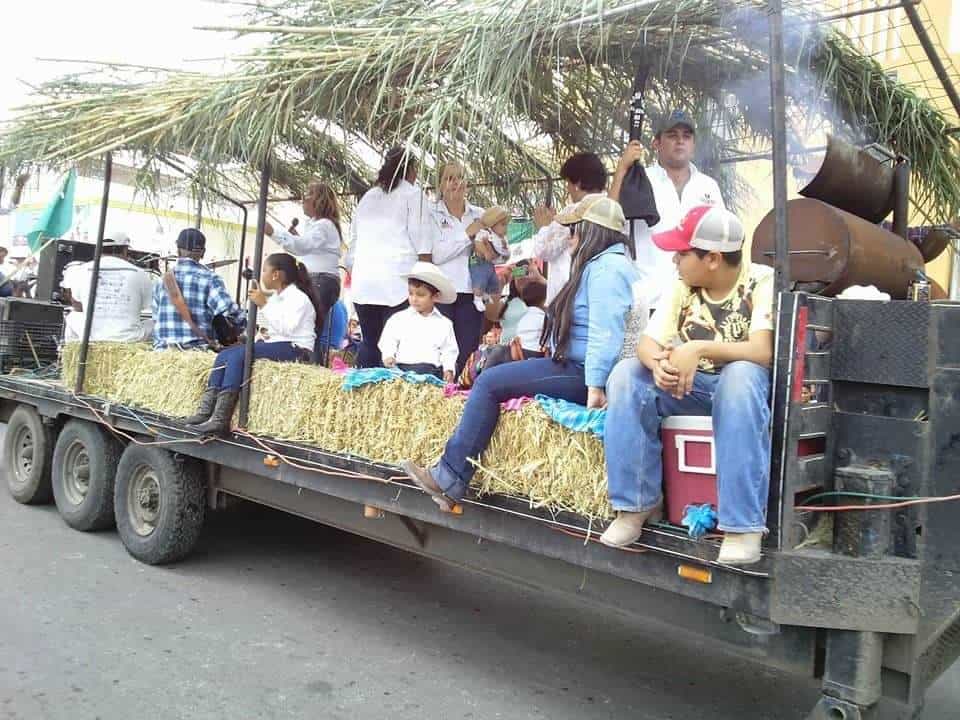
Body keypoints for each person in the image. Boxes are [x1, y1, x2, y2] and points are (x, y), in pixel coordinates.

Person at [400, 195, 638, 511]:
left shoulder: (608, 269)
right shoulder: (607, 265)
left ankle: (449, 477)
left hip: (581, 370)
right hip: (576, 364)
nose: (571, 237)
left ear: (593, 231)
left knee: (489, 383)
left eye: (575, 230)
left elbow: (606, 333)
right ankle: (449, 477)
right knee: (494, 377)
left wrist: (595, 386)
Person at [600, 205, 774, 566]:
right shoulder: (682, 287)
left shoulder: (760, 280)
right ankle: (637, 505)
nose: (675, 261)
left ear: (712, 258)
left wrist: (698, 347)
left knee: (740, 375)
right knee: (626, 375)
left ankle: (742, 526)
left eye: (682, 253)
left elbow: (762, 351)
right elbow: (647, 344)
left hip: (742, 394)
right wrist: (659, 366)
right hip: (691, 389)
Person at [184, 253, 319, 434]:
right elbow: (269, 327)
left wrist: (263, 304)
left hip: (296, 348)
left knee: (239, 356)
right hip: (281, 344)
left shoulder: (298, 298)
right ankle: (206, 411)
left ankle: (221, 418)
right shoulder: (278, 298)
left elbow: (287, 329)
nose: (261, 274)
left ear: (276, 275)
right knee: (225, 354)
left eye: (264, 270)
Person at [610, 109, 724, 310]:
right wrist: (622, 169)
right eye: (672, 136)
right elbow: (609, 220)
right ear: (656, 143)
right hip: (647, 300)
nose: (680, 141)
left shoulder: (709, 186)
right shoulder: (640, 180)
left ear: (693, 145)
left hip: (696, 302)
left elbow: (720, 237)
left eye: (686, 136)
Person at [344, 147, 433, 368]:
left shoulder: (368, 196)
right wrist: (428, 282)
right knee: (397, 346)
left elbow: (352, 244)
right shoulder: (413, 194)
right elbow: (423, 243)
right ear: (411, 169)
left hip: (364, 283)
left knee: (370, 342)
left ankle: (362, 395)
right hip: (397, 284)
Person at [264, 180, 343, 362]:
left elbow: (303, 247)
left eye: (309, 195)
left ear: (320, 201)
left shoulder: (324, 225)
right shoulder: (318, 225)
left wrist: (274, 232)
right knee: (308, 327)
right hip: (318, 280)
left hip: (321, 281)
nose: (304, 199)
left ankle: (308, 367)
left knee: (308, 329)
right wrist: (295, 239)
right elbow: (308, 248)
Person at [430, 161, 485, 375]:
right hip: (442, 292)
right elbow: (437, 254)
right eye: (449, 178)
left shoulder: (479, 214)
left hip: (472, 293)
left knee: (466, 352)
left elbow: (496, 255)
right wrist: (468, 234)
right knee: (439, 352)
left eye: (460, 177)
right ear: (441, 184)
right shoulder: (431, 212)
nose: (455, 183)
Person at [528, 153, 607, 303]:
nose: (568, 188)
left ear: (577, 183)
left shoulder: (573, 212)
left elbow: (544, 251)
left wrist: (545, 227)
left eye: (568, 183)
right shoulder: (610, 207)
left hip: (568, 297)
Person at [153, 228, 245, 350]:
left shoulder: (162, 280)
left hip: (162, 354)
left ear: (178, 250)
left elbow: (155, 319)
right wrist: (244, 327)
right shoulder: (210, 279)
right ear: (203, 252)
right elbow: (232, 312)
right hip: (196, 353)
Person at [61, 231, 154, 342]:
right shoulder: (140, 273)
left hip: (91, 338)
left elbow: (77, 305)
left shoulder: (81, 270)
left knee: (72, 316)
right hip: (130, 338)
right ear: (125, 250)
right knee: (155, 322)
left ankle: (70, 357)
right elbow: (147, 306)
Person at [378, 262, 459, 382]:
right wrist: (388, 355)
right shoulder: (399, 319)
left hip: (430, 372)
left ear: (435, 297)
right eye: (411, 293)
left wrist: (449, 369)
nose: (414, 299)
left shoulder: (444, 324)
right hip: (401, 370)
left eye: (421, 295)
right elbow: (388, 340)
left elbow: (449, 350)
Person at [470, 206, 510, 310]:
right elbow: (477, 242)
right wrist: (485, 252)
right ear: (492, 223)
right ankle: (477, 299)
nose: (505, 228)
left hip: (490, 264)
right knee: (480, 279)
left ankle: (486, 296)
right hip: (479, 262)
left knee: (493, 282)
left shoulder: (502, 238)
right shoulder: (486, 233)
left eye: (506, 225)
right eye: (502, 225)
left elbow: (504, 252)